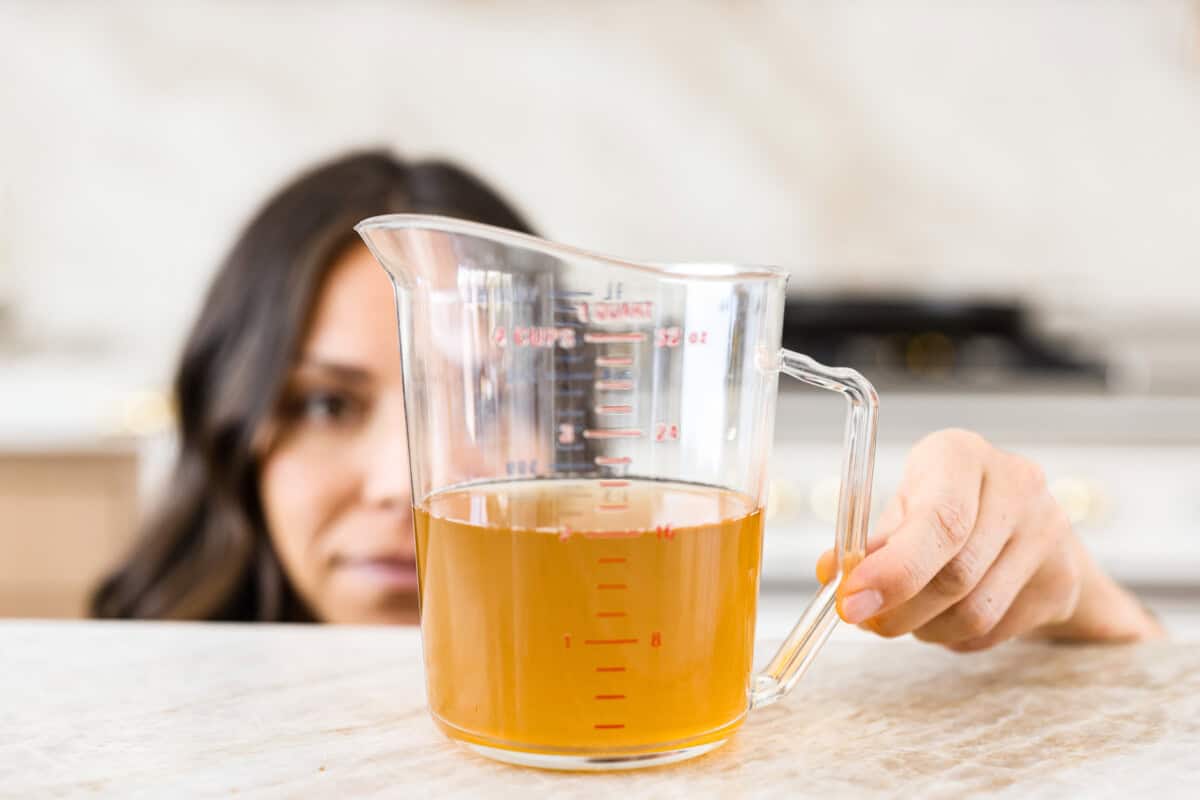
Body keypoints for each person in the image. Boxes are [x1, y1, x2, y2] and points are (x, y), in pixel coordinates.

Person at [93, 150, 1164, 646]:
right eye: (326, 404)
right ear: (232, 431)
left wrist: (1080, 609)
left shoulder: (650, 679)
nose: (397, 480)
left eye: (480, 397)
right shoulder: (125, 714)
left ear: (579, 429)